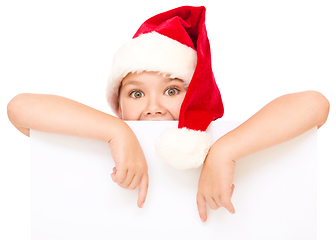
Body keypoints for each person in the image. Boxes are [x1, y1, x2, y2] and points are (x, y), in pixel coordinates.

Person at [7, 6, 330, 223]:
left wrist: (225, 151)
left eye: (172, 90)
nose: (154, 105)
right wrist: (116, 132)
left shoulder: (226, 139)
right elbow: (19, 108)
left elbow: (315, 105)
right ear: (118, 106)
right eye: (136, 93)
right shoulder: (103, 137)